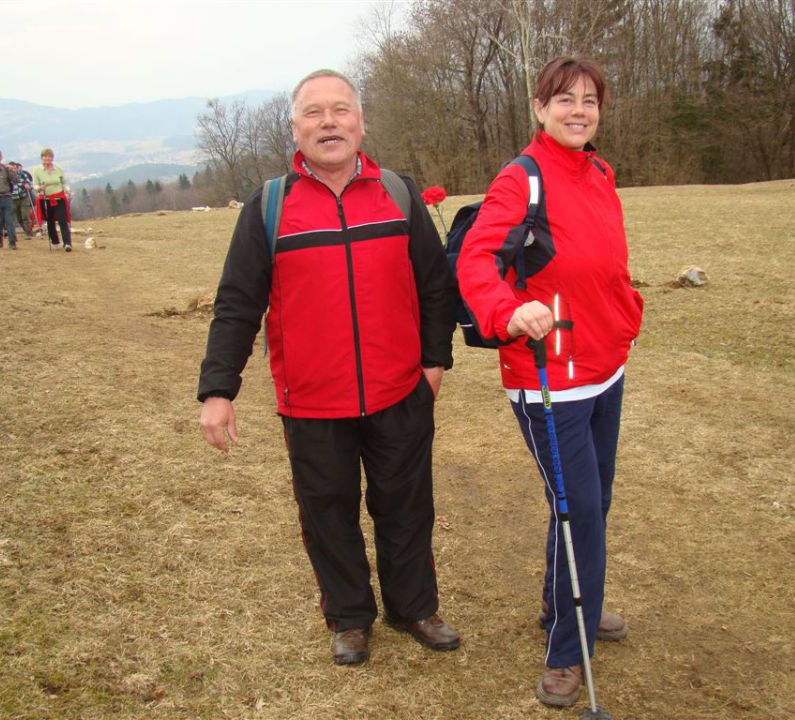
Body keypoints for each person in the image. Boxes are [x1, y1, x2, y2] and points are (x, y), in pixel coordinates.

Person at [198, 69, 460, 666]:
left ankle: (413, 607)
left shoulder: (397, 193)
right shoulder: (269, 207)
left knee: (406, 505)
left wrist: (434, 362)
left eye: (340, 110)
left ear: (362, 123)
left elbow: (435, 285)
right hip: (312, 399)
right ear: (295, 129)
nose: (329, 122)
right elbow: (238, 303)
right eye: (314, 113)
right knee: (328, 512)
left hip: (400, 390)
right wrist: (218, 389)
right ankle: (348, 618)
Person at [457, 56, 643, 708]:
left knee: (594, 501)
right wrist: (508, 310)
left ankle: (565, 603)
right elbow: (477, 260)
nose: (578, 110)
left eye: (590, 100)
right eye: (564, 99)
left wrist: (623, 319)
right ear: (540, 109)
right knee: (580, 511)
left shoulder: (599, 172)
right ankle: (569, 648)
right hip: (550, 380)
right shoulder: (520, 179)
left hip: (604, 367)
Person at [32, 148, 72, 251]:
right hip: (45, 199)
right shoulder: (37, 170)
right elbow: (35, 185)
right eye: (45, 156)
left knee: (62, 220)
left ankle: (67, 243)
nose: (47, 158)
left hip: (59, 198)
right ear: (42, 158)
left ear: (52, 158)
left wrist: (67, 190)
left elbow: (64, 182)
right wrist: (39, 188)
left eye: (49, 156)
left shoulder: (58, 169)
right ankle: (55, 241)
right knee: (50, 221)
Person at [8, 161, 35, 238]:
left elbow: (30, 185)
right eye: (11, 168)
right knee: (19, 217)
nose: (13, 169)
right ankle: (25, 230)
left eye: (14, 168)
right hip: (13, 199)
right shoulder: (7, 176)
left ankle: (28, 233)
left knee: (25, 216)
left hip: (24, 197)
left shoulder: (23, 175)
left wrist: (28, 186)